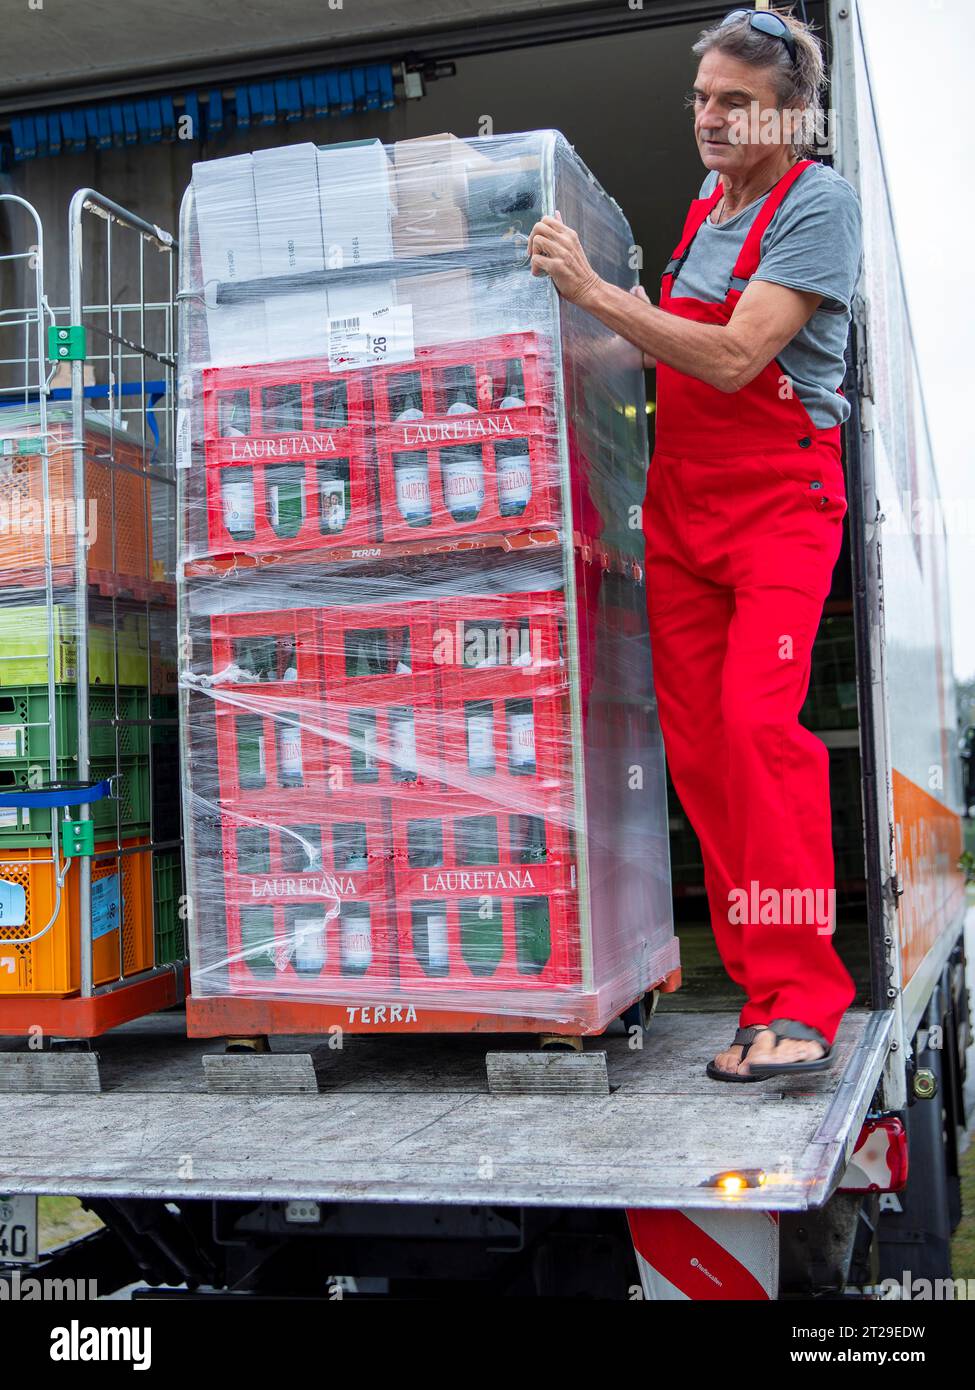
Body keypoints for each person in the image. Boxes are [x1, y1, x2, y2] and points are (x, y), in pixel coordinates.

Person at [527, 6, 864, 1080]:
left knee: (759, 731)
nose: (708, 119)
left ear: (792, 115)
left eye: (733, 101)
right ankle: (761, 993)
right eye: (701, 98)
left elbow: (730, 359)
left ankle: (805, 1001)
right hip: (680, 507)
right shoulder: (706, 208)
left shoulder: (819, 206)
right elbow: (656, 355)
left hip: (777, 501)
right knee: (708, 761)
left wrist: (596, 293)